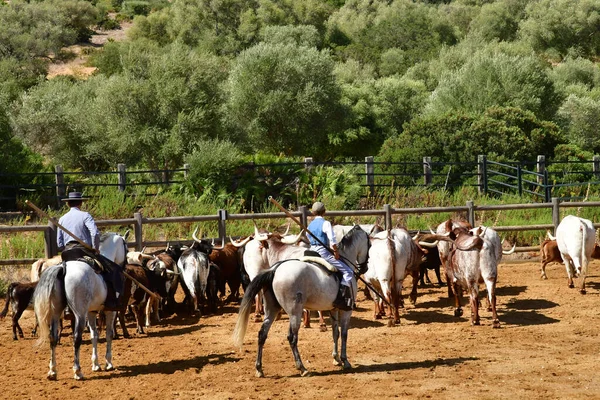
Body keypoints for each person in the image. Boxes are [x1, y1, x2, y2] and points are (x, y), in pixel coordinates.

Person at [57, 191, 123, 309]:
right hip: (83, 251)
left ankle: (66, 306)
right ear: (81, 203)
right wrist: (95, 248)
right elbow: (95, 233)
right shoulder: (85, 215)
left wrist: (66, 247)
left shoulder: (62, 219)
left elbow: (59, 243)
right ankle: (111, 301)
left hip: (67, 253)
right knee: (112, 269)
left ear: (68, 204)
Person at [307, 201, 354, 310]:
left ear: (313, 212)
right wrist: (336, 252)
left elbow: (307, 237)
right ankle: (340, 298)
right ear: (324, 212)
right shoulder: (326, 223)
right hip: (322, 251)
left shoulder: (310, 225)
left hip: (311, 250)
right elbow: (333, 241)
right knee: (348, 271)